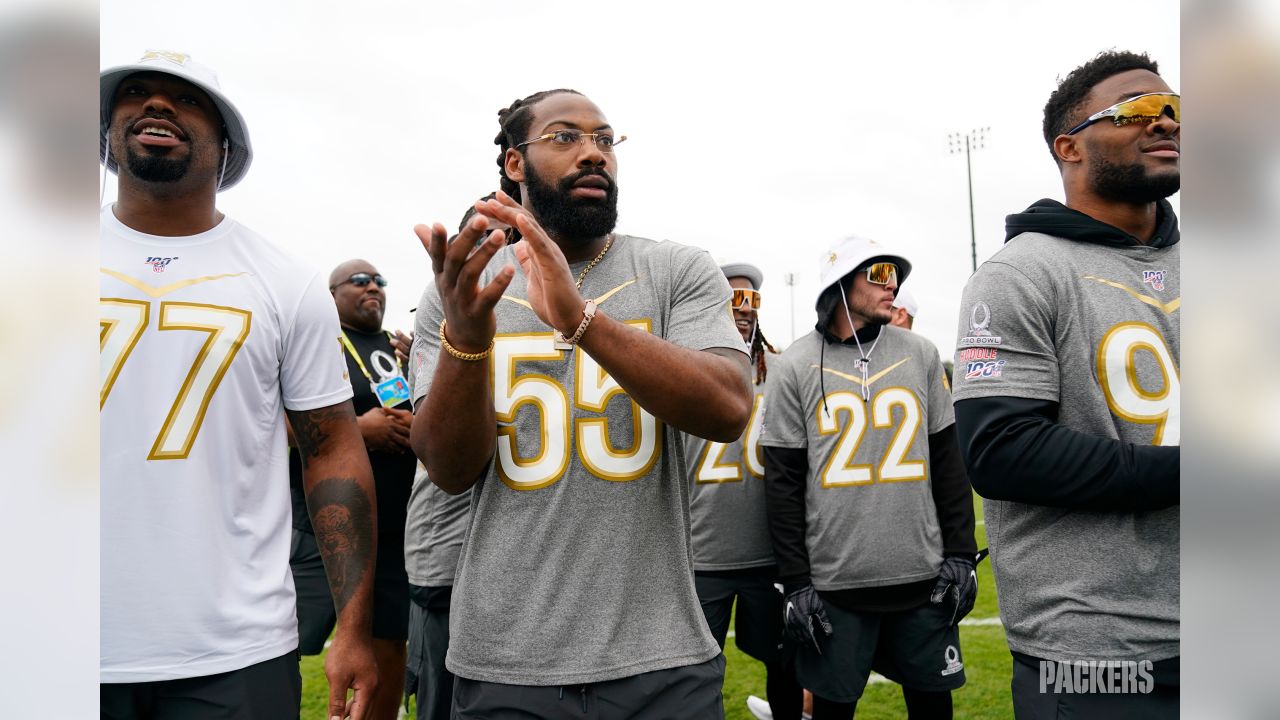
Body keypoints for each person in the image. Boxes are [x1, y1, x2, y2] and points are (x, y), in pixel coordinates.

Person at [407, 89, 752, 717]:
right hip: (506, 655)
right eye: (565, 137)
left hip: (663, 652)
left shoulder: (675, 269)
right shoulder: (465, 286)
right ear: (514, 163)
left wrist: (582, 322)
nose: (593, 154)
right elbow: (449, 470)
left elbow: (729, 409)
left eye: (604, 139)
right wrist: (467, 342)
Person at [99, 51, 378, 719]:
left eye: (186, 99)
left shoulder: (287, 280)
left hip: (237, 650)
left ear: (226, 145)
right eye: (135, 93)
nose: (157, 106)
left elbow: (333, 449)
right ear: (105, 133)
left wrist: (353, 626)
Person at [951, 50, 1179, 719]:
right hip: (1096, 649)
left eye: (1175, 109)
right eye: (1139, 110)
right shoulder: (1018, 274)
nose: (1165, 121)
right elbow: (1002, 449)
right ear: (1069, 146)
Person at [763, 236, 978, 720]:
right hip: (835, 587)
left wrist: (962, 552)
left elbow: (948, 461)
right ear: (841, 284)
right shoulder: (796, 364)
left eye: (896, 275)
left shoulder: (921, 353)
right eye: (879, 274)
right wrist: (796, 582)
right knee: (833, 713)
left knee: (933, 710)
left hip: (924, 580)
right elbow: (782, 483)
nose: (894, 285)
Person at [289, 259, 416, 720]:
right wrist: (360, 429)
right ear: (332, 293)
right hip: (327, 531)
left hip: (393, 529)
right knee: (288, 641)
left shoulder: (398, 348)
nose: (374, 288)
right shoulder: (320, 343)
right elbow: (276, 423)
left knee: (387, 642)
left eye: (380, 281)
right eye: (360, 281)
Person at [401, 198, 509, 720]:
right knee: (445, 704)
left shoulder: (558, 296)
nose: (496, 248)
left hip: (521, 556)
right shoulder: (442, 299)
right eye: (484, 235)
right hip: (448, 551)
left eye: (511, 235)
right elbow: (438, 446)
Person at [683, 262, 802, 720]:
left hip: (767, 552)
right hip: (702, 552)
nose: (743, 308)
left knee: (785, 666)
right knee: (695, 671)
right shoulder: (687, 363)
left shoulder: (781, 369)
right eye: (733, 299)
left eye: (751, 300)